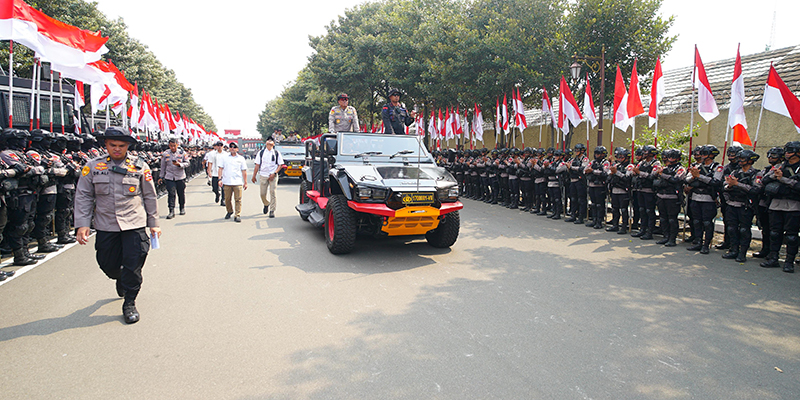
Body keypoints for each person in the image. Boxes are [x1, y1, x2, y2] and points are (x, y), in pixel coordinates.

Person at [74, 126, 160, 324]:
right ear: (106, 144)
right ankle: (119, 276)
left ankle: (130, 302)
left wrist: (153, 223)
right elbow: (84, 195)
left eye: (122, 146)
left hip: (134, 223)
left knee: (134, 265)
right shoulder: (93, 166)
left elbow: (149, 195)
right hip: (106, 224)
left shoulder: (140, 166)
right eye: (113, 145)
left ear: (128, 146)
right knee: (107, 264)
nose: (117, 149)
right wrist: (82, 224)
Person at [759, 141, 800, 272]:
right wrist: (774, 175)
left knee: (791, 236)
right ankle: (773, 258)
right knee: (775, 233)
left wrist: (782, 179)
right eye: (786, 150)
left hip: (793, 204)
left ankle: (789, 261)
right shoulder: (780, 166)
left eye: (790, 150)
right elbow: (764, 181)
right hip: (776, 204)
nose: (787, 153)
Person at [252, 136, 285, 218]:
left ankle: (272, 210)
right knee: (262, 194)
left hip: (273, 175)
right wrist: (254, 175)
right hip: (263, 175)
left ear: (273, 144)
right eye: (268, 141)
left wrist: (274, 173)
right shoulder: (261, 153)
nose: (269, 142)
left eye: (271, 141)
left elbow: (280, 165)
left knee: (273, 192)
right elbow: (257, 165)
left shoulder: (277, 153)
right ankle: (266, 203)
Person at [159, 138, 189, 219]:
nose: (173, 148)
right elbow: (163, 167)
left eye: (174, 146)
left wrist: (179, 164)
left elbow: (187, 163)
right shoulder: (165, 154)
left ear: (177, 145)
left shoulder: (182, 153)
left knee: (181, 193)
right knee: (171, 194)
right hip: (169, 177)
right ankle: (171, 211)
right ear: (169, 146)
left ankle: (182, 207)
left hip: (180, 177)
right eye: (171, 146)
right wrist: (161, 177)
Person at [219, 142, 248, 222]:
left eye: (234, 147)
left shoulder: (241, 158)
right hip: (227, 182)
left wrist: (245, 182)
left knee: (238, 199)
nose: (232, 148)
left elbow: (244, 170)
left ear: (237, 149)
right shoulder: (224, 158)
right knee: (227, 199)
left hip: (237, 182)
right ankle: (229, 211)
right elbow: (220, 169)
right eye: (231, 147)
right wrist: (219, 179)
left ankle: (237, 214)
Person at [206, 141, 225, 206]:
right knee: (214, 188)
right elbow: (210, 163)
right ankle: (217, 194)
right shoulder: (212, 154)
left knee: (223, 188)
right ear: (216, 146)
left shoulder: (226, 154)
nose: (219, 147)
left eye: (221, 145)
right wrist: (209, 171)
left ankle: (223, 200)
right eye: (218, 145)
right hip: (215, 173)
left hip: (223, 173)